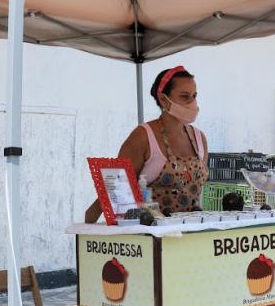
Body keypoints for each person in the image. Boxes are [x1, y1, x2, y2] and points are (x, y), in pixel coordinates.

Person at [85, 66, 208, 222]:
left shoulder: (199, 139)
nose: (192, 102)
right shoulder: (143, 136)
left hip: (191, 234)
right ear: (164, 99)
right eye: (185, 96)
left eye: (194, 96)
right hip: (151, 237)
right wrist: (87, 232)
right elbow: (114, 189)